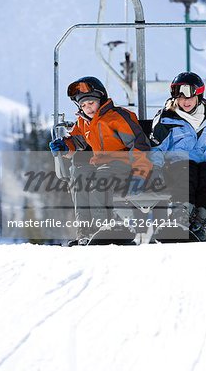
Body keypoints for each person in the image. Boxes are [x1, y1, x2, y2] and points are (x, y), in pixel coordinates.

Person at [49, 76, 153, 245]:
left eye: (90, 103)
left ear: (100, 99)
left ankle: (104, 227)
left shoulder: (117, 117)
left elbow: (139, 145)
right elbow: (76, 141)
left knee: (100, 177)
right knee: (80, 176)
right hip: (100, 165)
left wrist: (140, 173)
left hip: (124, 164)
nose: (87, 108)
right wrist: (64, 146)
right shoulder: (84, 122)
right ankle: (85, 232)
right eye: (83, 105)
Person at [150, 71, 206, 242]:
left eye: (189, 96)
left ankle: (198, 223)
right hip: (175, 166)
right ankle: (180, 217)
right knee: (187, 171)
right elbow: (157, 148)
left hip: (200, 166)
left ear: (198, 96)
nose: (185, 101)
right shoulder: (167, 119)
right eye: (180, 97)